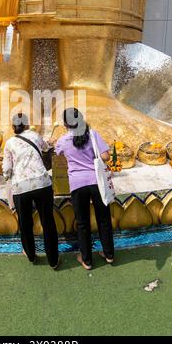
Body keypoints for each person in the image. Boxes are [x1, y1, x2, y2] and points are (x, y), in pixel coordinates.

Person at [54, 108, 114, 270]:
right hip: (96, 182)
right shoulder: (93, 134)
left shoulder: (63, 140)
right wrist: (93, 157)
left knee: (82, 223)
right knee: (104, 219)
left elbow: (56, 153)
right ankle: (109, 254)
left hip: (77, 184)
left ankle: (87, 260)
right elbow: (106, 156)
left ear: (66, 124)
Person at [2, 113, 59, 269]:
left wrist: (8, 176)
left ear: (13, 127)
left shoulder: (9, 143)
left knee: (25, 222)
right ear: (27, 125)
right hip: (42, 182)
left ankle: (31, 255)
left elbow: (6, 169)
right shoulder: (35, 135)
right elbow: (46, 147)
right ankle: (53, 260)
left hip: (21, 186)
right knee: (47, 221)